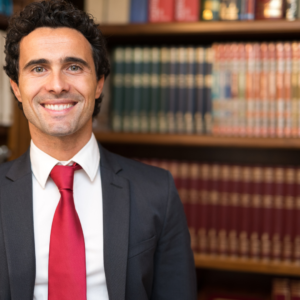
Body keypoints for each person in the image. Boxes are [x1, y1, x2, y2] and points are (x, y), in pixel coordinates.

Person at [0, 1, 197, 299]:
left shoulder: (158, 192)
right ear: (16, 87)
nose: (57, 85)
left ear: (98, 84)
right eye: (38, 68)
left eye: (74, 67)